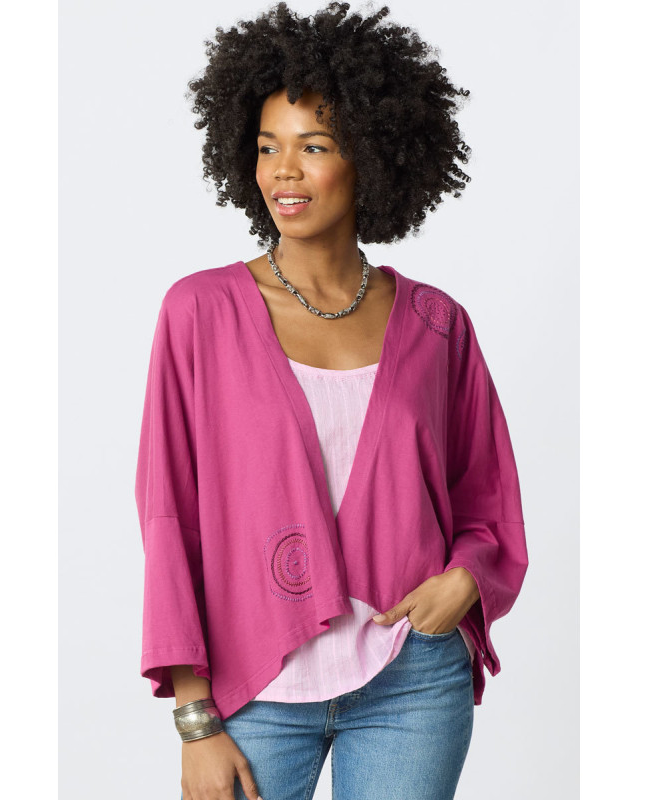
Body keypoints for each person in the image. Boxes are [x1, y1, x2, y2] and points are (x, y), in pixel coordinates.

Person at [134, 3, 529, 799]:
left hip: (413, 681)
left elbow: (486, 498)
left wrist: (465, 580)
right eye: (267, 147)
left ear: (371, 157)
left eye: (313, 147)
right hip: (252, 686)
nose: (284, 171)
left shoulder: (437, 324)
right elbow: (169, 516)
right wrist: (195, 719)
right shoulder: (199, 312)